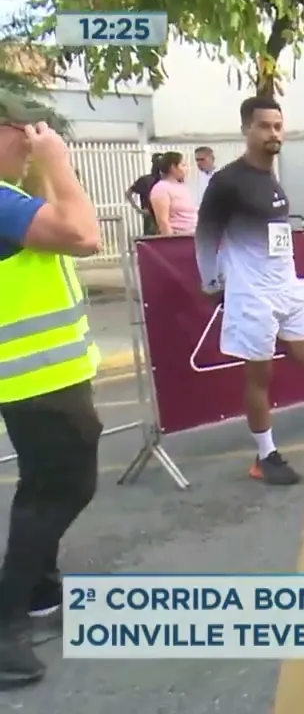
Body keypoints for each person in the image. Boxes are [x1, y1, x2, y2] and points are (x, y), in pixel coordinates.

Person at [0, 92, 103, 686]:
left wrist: (40, 167)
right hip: (36, 378)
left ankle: (39, 592)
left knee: (42, 486)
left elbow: (50, 227)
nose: (33, 139)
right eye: (26, 130)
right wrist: (57, 159)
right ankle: (7, 613)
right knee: (64, 488)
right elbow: (84, 235)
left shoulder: (12, 199)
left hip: (41, 374)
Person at [195, 96, 304, 486]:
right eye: (264, 126)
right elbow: (205, 235)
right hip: (252, 293)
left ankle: (263, 344)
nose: (273, 133)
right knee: (259, 377)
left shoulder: (272, 178)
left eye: (278, 126)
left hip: (286, 286)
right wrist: (212, 283)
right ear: (246, 129)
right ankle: (265, 456)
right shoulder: (227, 181)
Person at [149, 151, 198, 236]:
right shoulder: (161, 188)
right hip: (179, 237)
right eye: (183, 165)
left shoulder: (183, 187)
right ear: (173, 167)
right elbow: (163, 221)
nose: (186, 168)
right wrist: (171, 242)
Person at [127, 153, 162, 237]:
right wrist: (139, 209)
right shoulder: (145, 180)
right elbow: (129, 193)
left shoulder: (167, 179)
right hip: (150, 218)